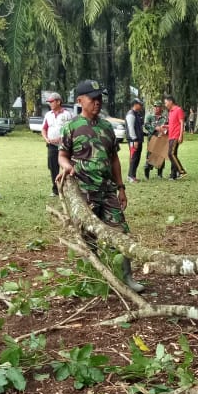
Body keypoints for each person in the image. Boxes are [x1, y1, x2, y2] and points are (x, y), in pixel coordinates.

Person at [58, 80, 144, 293]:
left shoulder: (107, 127)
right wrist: (68, 167)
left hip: (107, 191)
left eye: (99, 98)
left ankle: (127, 278)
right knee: (88, 237)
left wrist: (121, 187)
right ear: (80, 100)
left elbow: (114, 158)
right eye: (92, 98)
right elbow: (62, 155)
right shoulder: (71, 127)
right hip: (85, 192)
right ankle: (94, 278)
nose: (97, 102)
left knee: (121, 232)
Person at [43, 92, 75, 196]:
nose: (50, 104)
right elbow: (44, 129)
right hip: (51, 145)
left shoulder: (67, 114)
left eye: (52, 101)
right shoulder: (48, 115)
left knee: (66, 166)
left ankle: (68, 188)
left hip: (64, 145)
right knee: (53, 167)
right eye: (49, 102)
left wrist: (62, 139)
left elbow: (72, 129)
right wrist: (46, 138)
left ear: (58, 101)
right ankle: (56, 189)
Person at [163, 94, 187, 179]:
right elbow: (172, 124)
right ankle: (173, 175)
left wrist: (181, 135)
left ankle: (181, 171)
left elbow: (181, 123)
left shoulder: (178, 110)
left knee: (171, 154)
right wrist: (165, 126)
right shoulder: (170, 112)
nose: (165, 105)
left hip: (176, 136)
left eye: (166, 103)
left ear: (170, 101)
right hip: (171, 136)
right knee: (174, 154)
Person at [143, 101, 167, 180]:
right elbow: (146, 125)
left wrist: (163, 131)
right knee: (150, 156)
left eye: (158, 106)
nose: (156, 108)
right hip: (152, 139)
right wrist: (154, 129)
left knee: (160, 156)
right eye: (155, 106)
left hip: (161, 139)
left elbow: (167, 127)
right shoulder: (149, 116)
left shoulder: (164, 118)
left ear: (161, 108)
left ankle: (159, 174)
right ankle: (147, 174)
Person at [125, 99, 145, 183]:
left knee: (137, 158)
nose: (141, 106)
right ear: (135, 104)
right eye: (140, 104)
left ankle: (133, 175)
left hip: (138, 139)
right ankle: (130, 177)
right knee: (134, 158)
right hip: (134, 141)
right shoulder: (131, 114)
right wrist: (135, 139)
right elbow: (131, 128)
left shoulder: (136, 114)